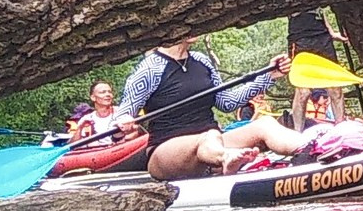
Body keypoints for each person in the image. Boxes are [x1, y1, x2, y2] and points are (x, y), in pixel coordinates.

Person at [119, 38, 308, 180]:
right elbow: (125, 111)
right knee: (208, 136)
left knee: (264, 124)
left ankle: (312, 147)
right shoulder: (149, 69)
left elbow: (226, 102)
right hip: (166, 152)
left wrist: (268, 76)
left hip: (213, 140)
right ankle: (227, 159)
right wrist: (124, 122)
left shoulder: (202, 61)